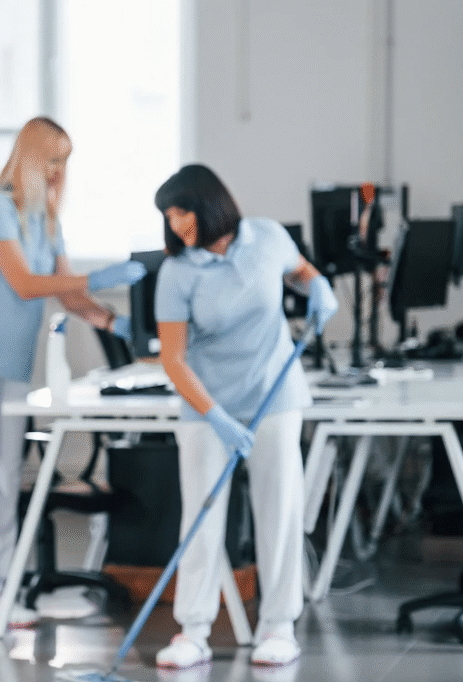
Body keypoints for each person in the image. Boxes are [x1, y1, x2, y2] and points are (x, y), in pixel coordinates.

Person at [0, 116, 148, 639]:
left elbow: (68, 294)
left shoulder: (46, 221)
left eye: (64, 162)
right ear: (30, 158)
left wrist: (117, 321)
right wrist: (97, 277)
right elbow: (26, 283)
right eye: (53, 160)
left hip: (11, 365)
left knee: (5, 479)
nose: (59, 172)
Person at [151, 164, 338, 669]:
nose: (176, 225)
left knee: (279, 510)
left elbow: (301, 271)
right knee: (202, 514)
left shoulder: (268, 237)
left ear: (209, 205)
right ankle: (192, 631)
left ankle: (278, 625)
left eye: (181, 212)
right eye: (169, 217)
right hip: (207, 404)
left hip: (274, 396)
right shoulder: (177, 272)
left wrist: (318, 286)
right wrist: (215, 417)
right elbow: (173, 358)